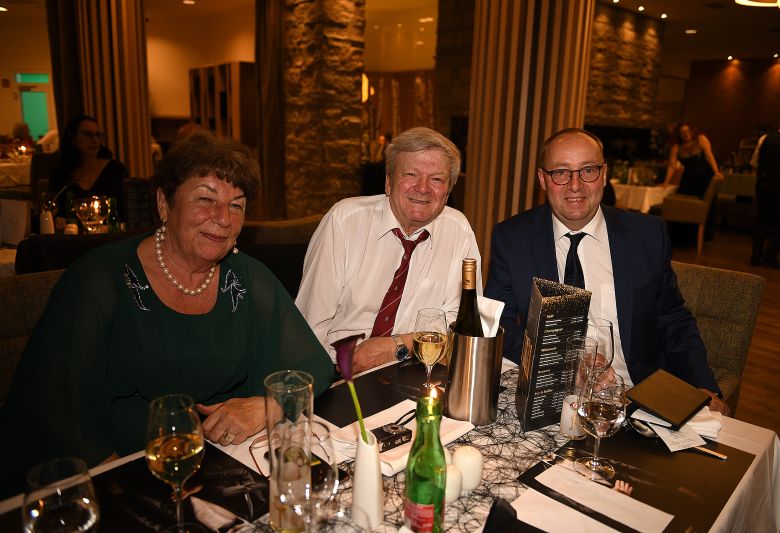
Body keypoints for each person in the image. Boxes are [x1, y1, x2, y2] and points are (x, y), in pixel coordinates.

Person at [0, 131, 336, 497]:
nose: (223, 218)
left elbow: (315, 364)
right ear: (164, 203)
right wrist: (129, 491)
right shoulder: (99, 280)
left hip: (221, 467)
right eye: (205, 199)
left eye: (236, 205)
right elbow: (56, 414)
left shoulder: (247, 277)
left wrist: (270, 405)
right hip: (118, 473)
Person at [484, 128, 729, 415]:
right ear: (543, 179)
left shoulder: (646, 235)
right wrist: (562, 363)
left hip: (638, 397)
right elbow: (496, 322)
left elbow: (673, 319)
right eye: (561, 172)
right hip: (552, 393)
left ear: (603, 175)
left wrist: (703, 386)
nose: (575, 185)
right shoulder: (512, 238)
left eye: (587, 170)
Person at [296, 127, 481, 375]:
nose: (423, 188)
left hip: (413, 370)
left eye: (436, 179)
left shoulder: (458, 230)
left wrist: (397, 346)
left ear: (447, 193)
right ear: (388, 182)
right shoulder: (344, 221)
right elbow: (309, 325)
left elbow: (463, 325)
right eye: (411, 174)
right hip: (335, 371)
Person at [47, 115, 129, 219]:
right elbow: (54, 211)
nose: (94, 140)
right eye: (87, 134)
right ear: (73, 138)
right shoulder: (61, 173)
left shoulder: (116, 170)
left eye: (98, 135)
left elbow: (126, 210)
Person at [749, 112, 780, 269]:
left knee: (761, 221)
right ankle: (770, 257)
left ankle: (756, 257)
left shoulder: (764, 138)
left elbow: (754, 162)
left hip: (762, 184)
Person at [663, 123, 723, 198]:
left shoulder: (700, 139)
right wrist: (666, 182)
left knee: (704, 198)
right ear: (679, 135)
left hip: (705, 175)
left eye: (688, 131)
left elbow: (709, 156)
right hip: (689, 176)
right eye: (682, 133)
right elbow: (671, 166)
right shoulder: (676, 147)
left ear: (692, 131)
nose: (686, 134)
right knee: (682, 197)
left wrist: (716, 171)